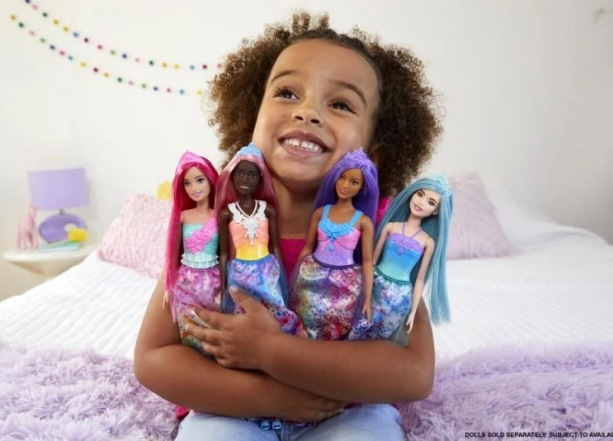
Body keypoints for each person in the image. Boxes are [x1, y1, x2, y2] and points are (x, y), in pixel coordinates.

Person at [134, 11, 442, 440]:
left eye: (340, 104)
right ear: (251, 120)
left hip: (345, 410)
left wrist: (271, 350)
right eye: (286, 92)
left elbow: (413, 373)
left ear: (373, 152)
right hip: (231, 406)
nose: (307, 112)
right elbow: (154, 356)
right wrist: (269, 396)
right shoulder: (216, 220)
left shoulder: (381, 233)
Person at [348, 174, 453, 345]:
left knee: (379, 336)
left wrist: (413, 311)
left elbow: (420, 280)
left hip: (398, 296)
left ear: (435, 212)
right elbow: (372, 261)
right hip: (376, 282)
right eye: (420, 194)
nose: (421, 202)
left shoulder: (428, 242)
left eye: (430, 202)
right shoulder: (391, 227)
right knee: (358, 327)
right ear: (412, 194)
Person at [215, 142, 304, 335]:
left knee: (275, 310)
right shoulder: (226, 214)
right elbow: (223, 253)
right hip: (240, 271)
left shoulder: (267, 210)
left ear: (261, 178)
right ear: (232, 176)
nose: (245, 179)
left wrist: (281, 277)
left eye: (252, 175)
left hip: (267, 269)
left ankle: (282, 341)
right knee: (243, 313)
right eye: (240, 173)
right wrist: (223, 288)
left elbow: (275, 247)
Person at [290, 149, 378, 341]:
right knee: (304, 319)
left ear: (362, 188)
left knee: (335, 324)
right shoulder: (320, 213)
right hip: (312, 276)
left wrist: (367, 298)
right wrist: (294, 277)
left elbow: (367, 261)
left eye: (354, 182)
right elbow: (308, 247)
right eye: (342, 178)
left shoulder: (363, 222)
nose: (345, 185)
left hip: (344, 283)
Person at [162, 151, 220, 351]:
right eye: (187, 183)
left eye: (199, 180)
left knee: (212, 324)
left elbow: (226, 252)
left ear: (210, 180)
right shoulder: (183, 216)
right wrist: (168, 286)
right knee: (188, 328)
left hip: (213, 279)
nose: (194, 188)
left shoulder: (220, 216)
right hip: (186, 279)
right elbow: (173, 253)